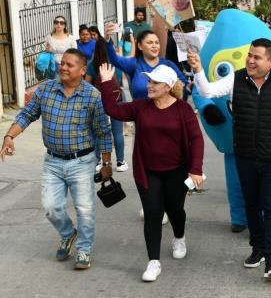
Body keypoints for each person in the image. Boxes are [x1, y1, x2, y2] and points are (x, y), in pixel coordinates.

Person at [191, 38, 271, 280]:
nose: (251, 61)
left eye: (257, 57)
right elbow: (207, 91)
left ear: (270, 60)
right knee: (251, 206)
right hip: (244, 155)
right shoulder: (236, 78)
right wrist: (199, 71)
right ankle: (258, 248)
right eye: (250, 56)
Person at [1, 49, 112, 270]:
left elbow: (102, 131)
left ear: (82, 70)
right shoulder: (46, 89)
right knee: (51, 207)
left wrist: (106, 163)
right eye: (62, 63)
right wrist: (9, 136)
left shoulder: (92, 95)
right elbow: (27, 114)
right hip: (52, 161)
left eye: (69, 65)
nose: (63, 67)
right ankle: (68, 233)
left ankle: (84, 249)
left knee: (85, 208)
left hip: (82, 161)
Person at [98, 63, 204, 282]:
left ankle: (179, 237)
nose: (149, 85)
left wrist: (195, 170)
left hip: (176, 171)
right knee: (153, 214)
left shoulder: (183, 109)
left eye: (155, 82)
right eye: (149, 81)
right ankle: (153, 262)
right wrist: (107, 82)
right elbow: (113, 110)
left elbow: (196, 139)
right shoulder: (140, 107)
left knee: (175, 210)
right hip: (148, 172)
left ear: (168, 86)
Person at [103, 25, 187, 100]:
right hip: (140, 115)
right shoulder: (134, 64)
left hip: (166, 115)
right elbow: (114, 59)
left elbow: (185, 85)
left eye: (157, 42)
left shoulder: (168, 64)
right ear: (140, 46)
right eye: (150, 43)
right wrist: (107, 38)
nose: (154, 45)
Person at [85, 37, 128, 173]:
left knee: (99, 133)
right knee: (118, 132)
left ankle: (99, 161)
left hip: (99, 101)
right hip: (117, 99)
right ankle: (120, 162)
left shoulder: (92, 65)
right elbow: (120, 81)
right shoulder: (115, 64)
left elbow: (87, 84)